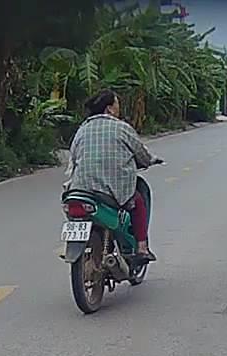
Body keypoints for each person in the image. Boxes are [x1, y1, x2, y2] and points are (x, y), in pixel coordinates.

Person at [64, 89, 161, 260]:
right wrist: (151, 160)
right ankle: (142, 247)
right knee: (138, 201)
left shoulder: (82, 130)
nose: (118, 108)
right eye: (117, 104)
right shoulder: (122, 128)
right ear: (109, 108)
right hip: (111, 191)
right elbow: (142, 154)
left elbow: (73, 158)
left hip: (81, 189)